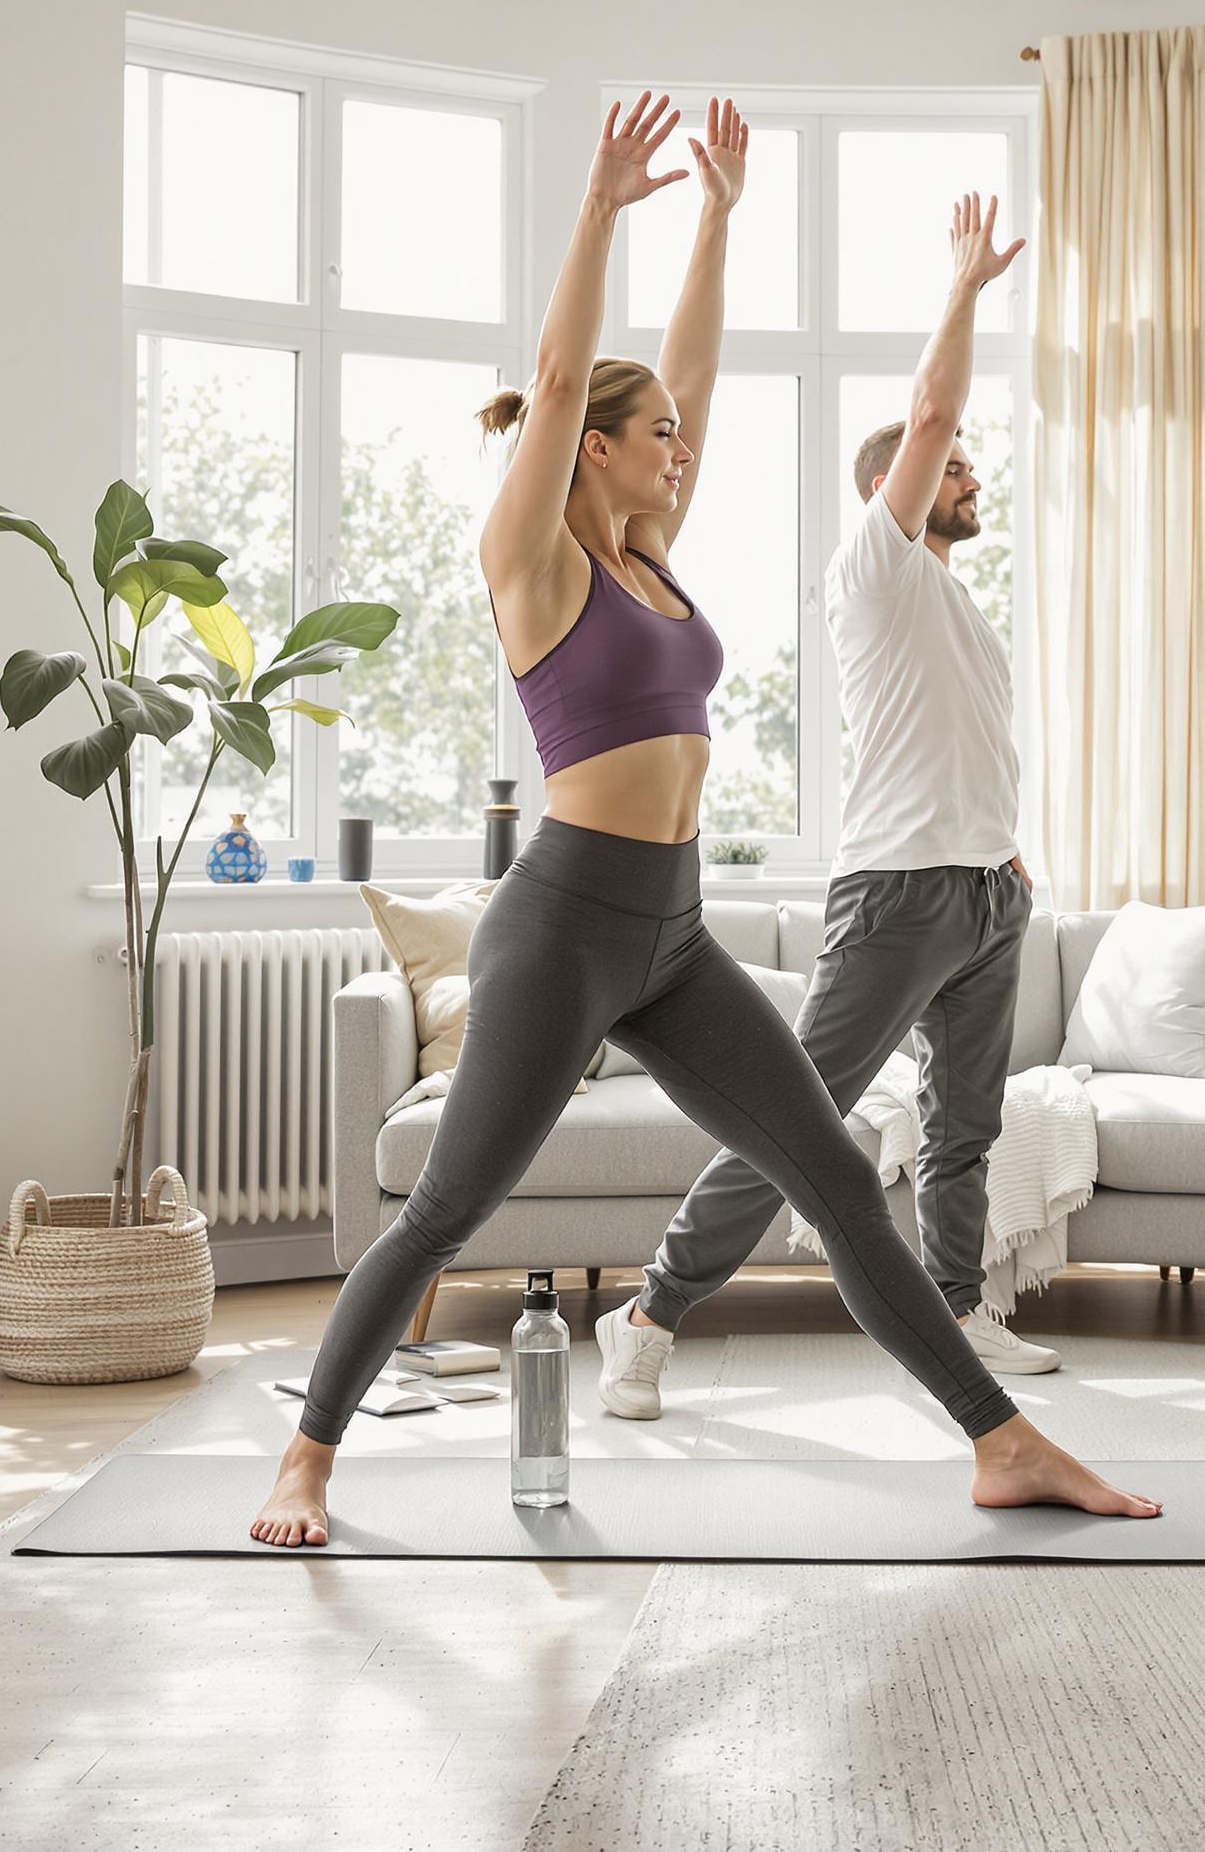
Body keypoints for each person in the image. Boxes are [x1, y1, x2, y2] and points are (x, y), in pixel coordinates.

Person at [250, 94, 1158, 1545]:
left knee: (841, 1181)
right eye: (653, 436)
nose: (680, 447)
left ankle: (998, 1443)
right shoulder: (534, 567)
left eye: (679, 436)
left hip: (670, 931)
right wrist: (607, 207)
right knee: (445, 1212)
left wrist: (721, 220)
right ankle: (306, 1455)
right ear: (591, 449)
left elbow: (693, 373)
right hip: (560, 934)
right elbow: (561, 381)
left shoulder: (652, 554)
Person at [599, 192, 1062, 1425]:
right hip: (897, 892)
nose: (968, 473)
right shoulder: (873, 565)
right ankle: (646, 1317)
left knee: (969, 1123)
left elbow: (965, 741)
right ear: (891, 491)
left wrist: (1006, 859)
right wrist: (963, 286)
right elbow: (929, 410)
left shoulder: (959, 607)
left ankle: (961, 1305)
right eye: (949, 468)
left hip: (981, 890)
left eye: (966, 465)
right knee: (793, 1126)